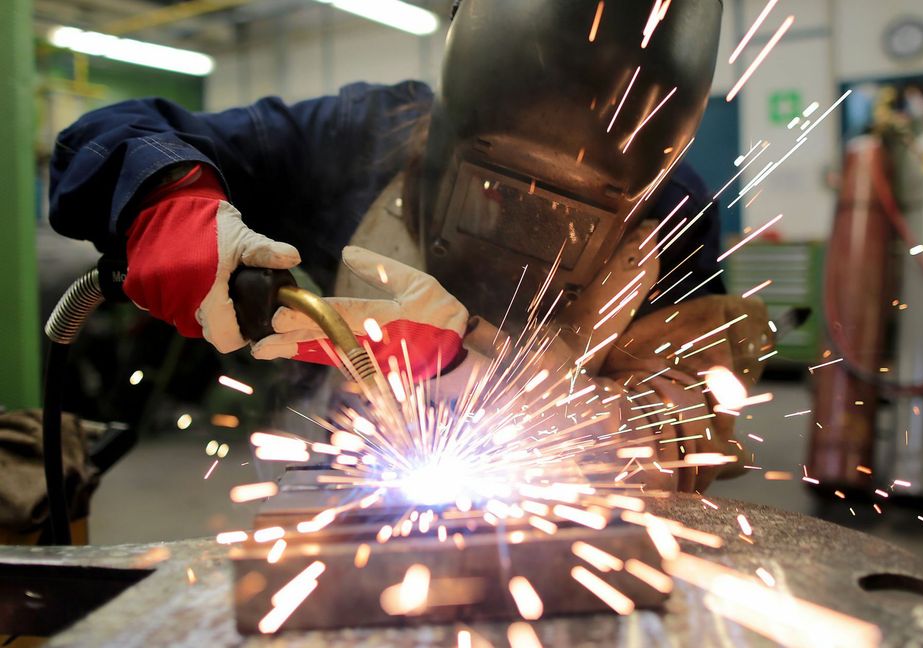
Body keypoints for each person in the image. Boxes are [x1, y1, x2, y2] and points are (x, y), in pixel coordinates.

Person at [48, 0, 770, 492]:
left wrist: (594, 420)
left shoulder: (671, 214)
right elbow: (113, 134)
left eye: (575, 209)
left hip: (570, 508)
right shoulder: (360, 131)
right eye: (497, 184)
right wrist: (170, 204)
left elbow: (698, 409)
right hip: (342, 479)